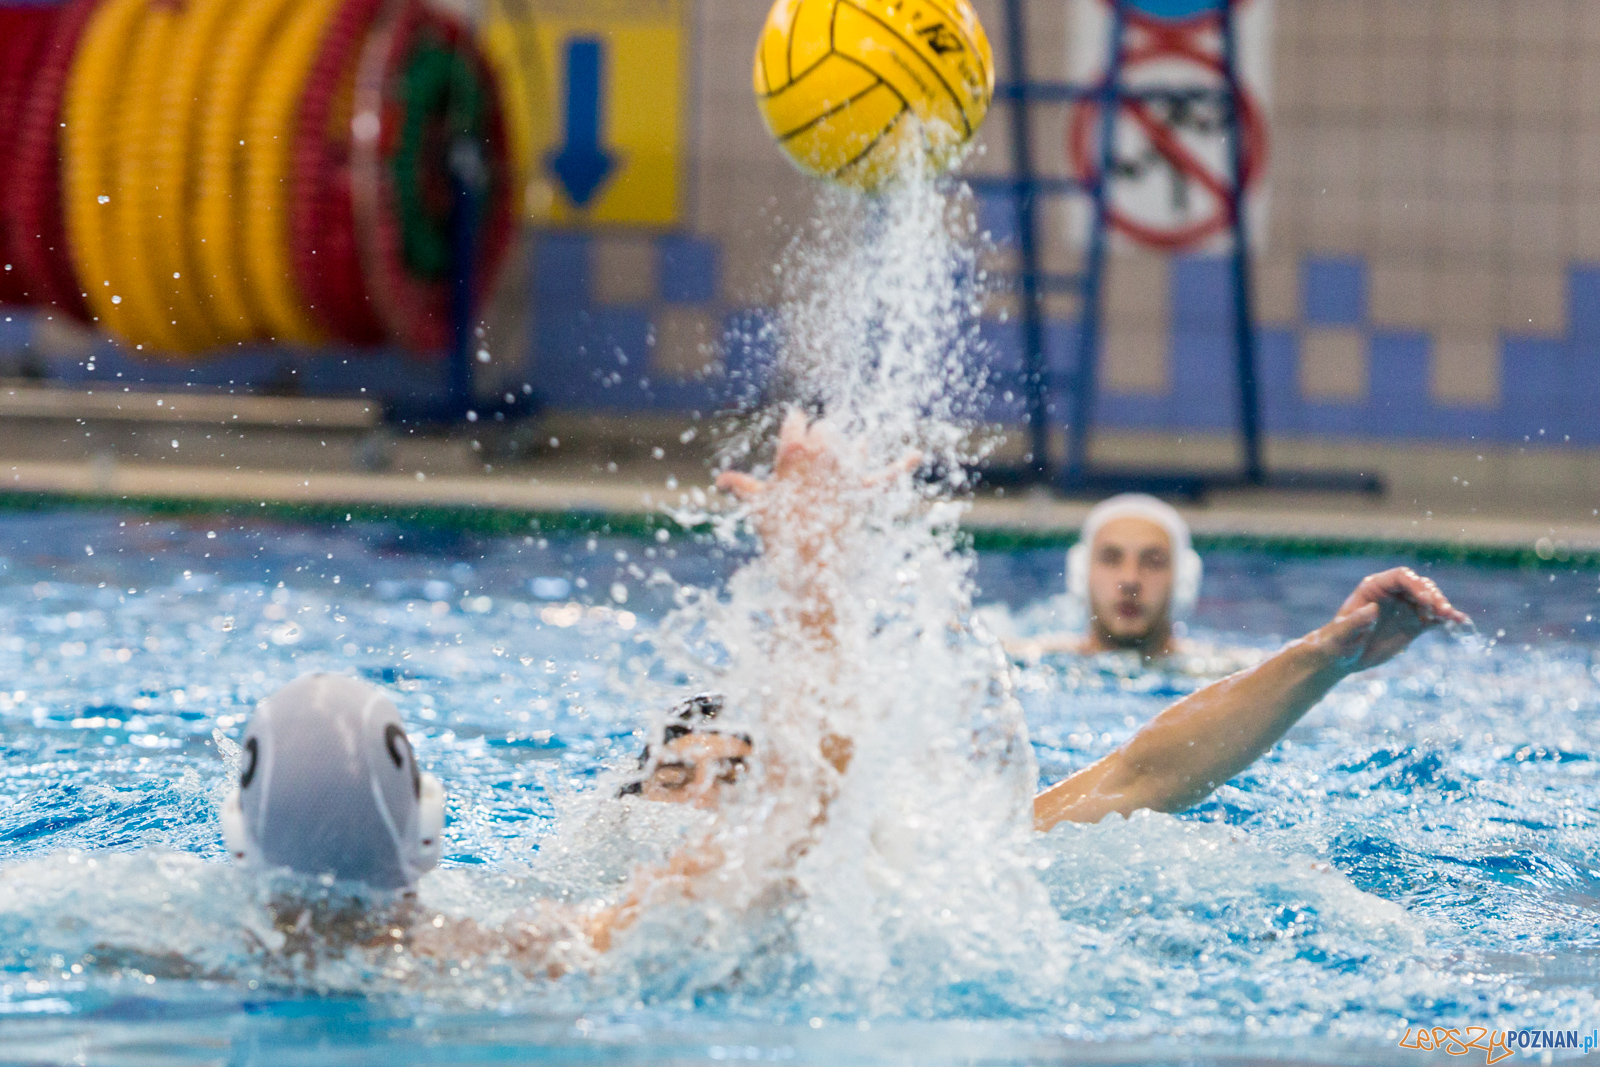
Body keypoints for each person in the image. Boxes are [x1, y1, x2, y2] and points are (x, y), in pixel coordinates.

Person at [222, 411, 1468, 965]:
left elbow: (1143, 774)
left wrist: (1323, 655)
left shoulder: (926, 871)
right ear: (637, 783)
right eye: (679, 763)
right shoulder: (569, 900)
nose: (702, 779)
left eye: (732, 762)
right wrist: (812, 573)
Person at [1005, 493, 1202, 663]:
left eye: (1153, 562)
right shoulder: (1019, 660)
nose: (1130, 580)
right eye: (1110, 559)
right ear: (1081, 574)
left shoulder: (1218, 674)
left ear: (1183, 579)